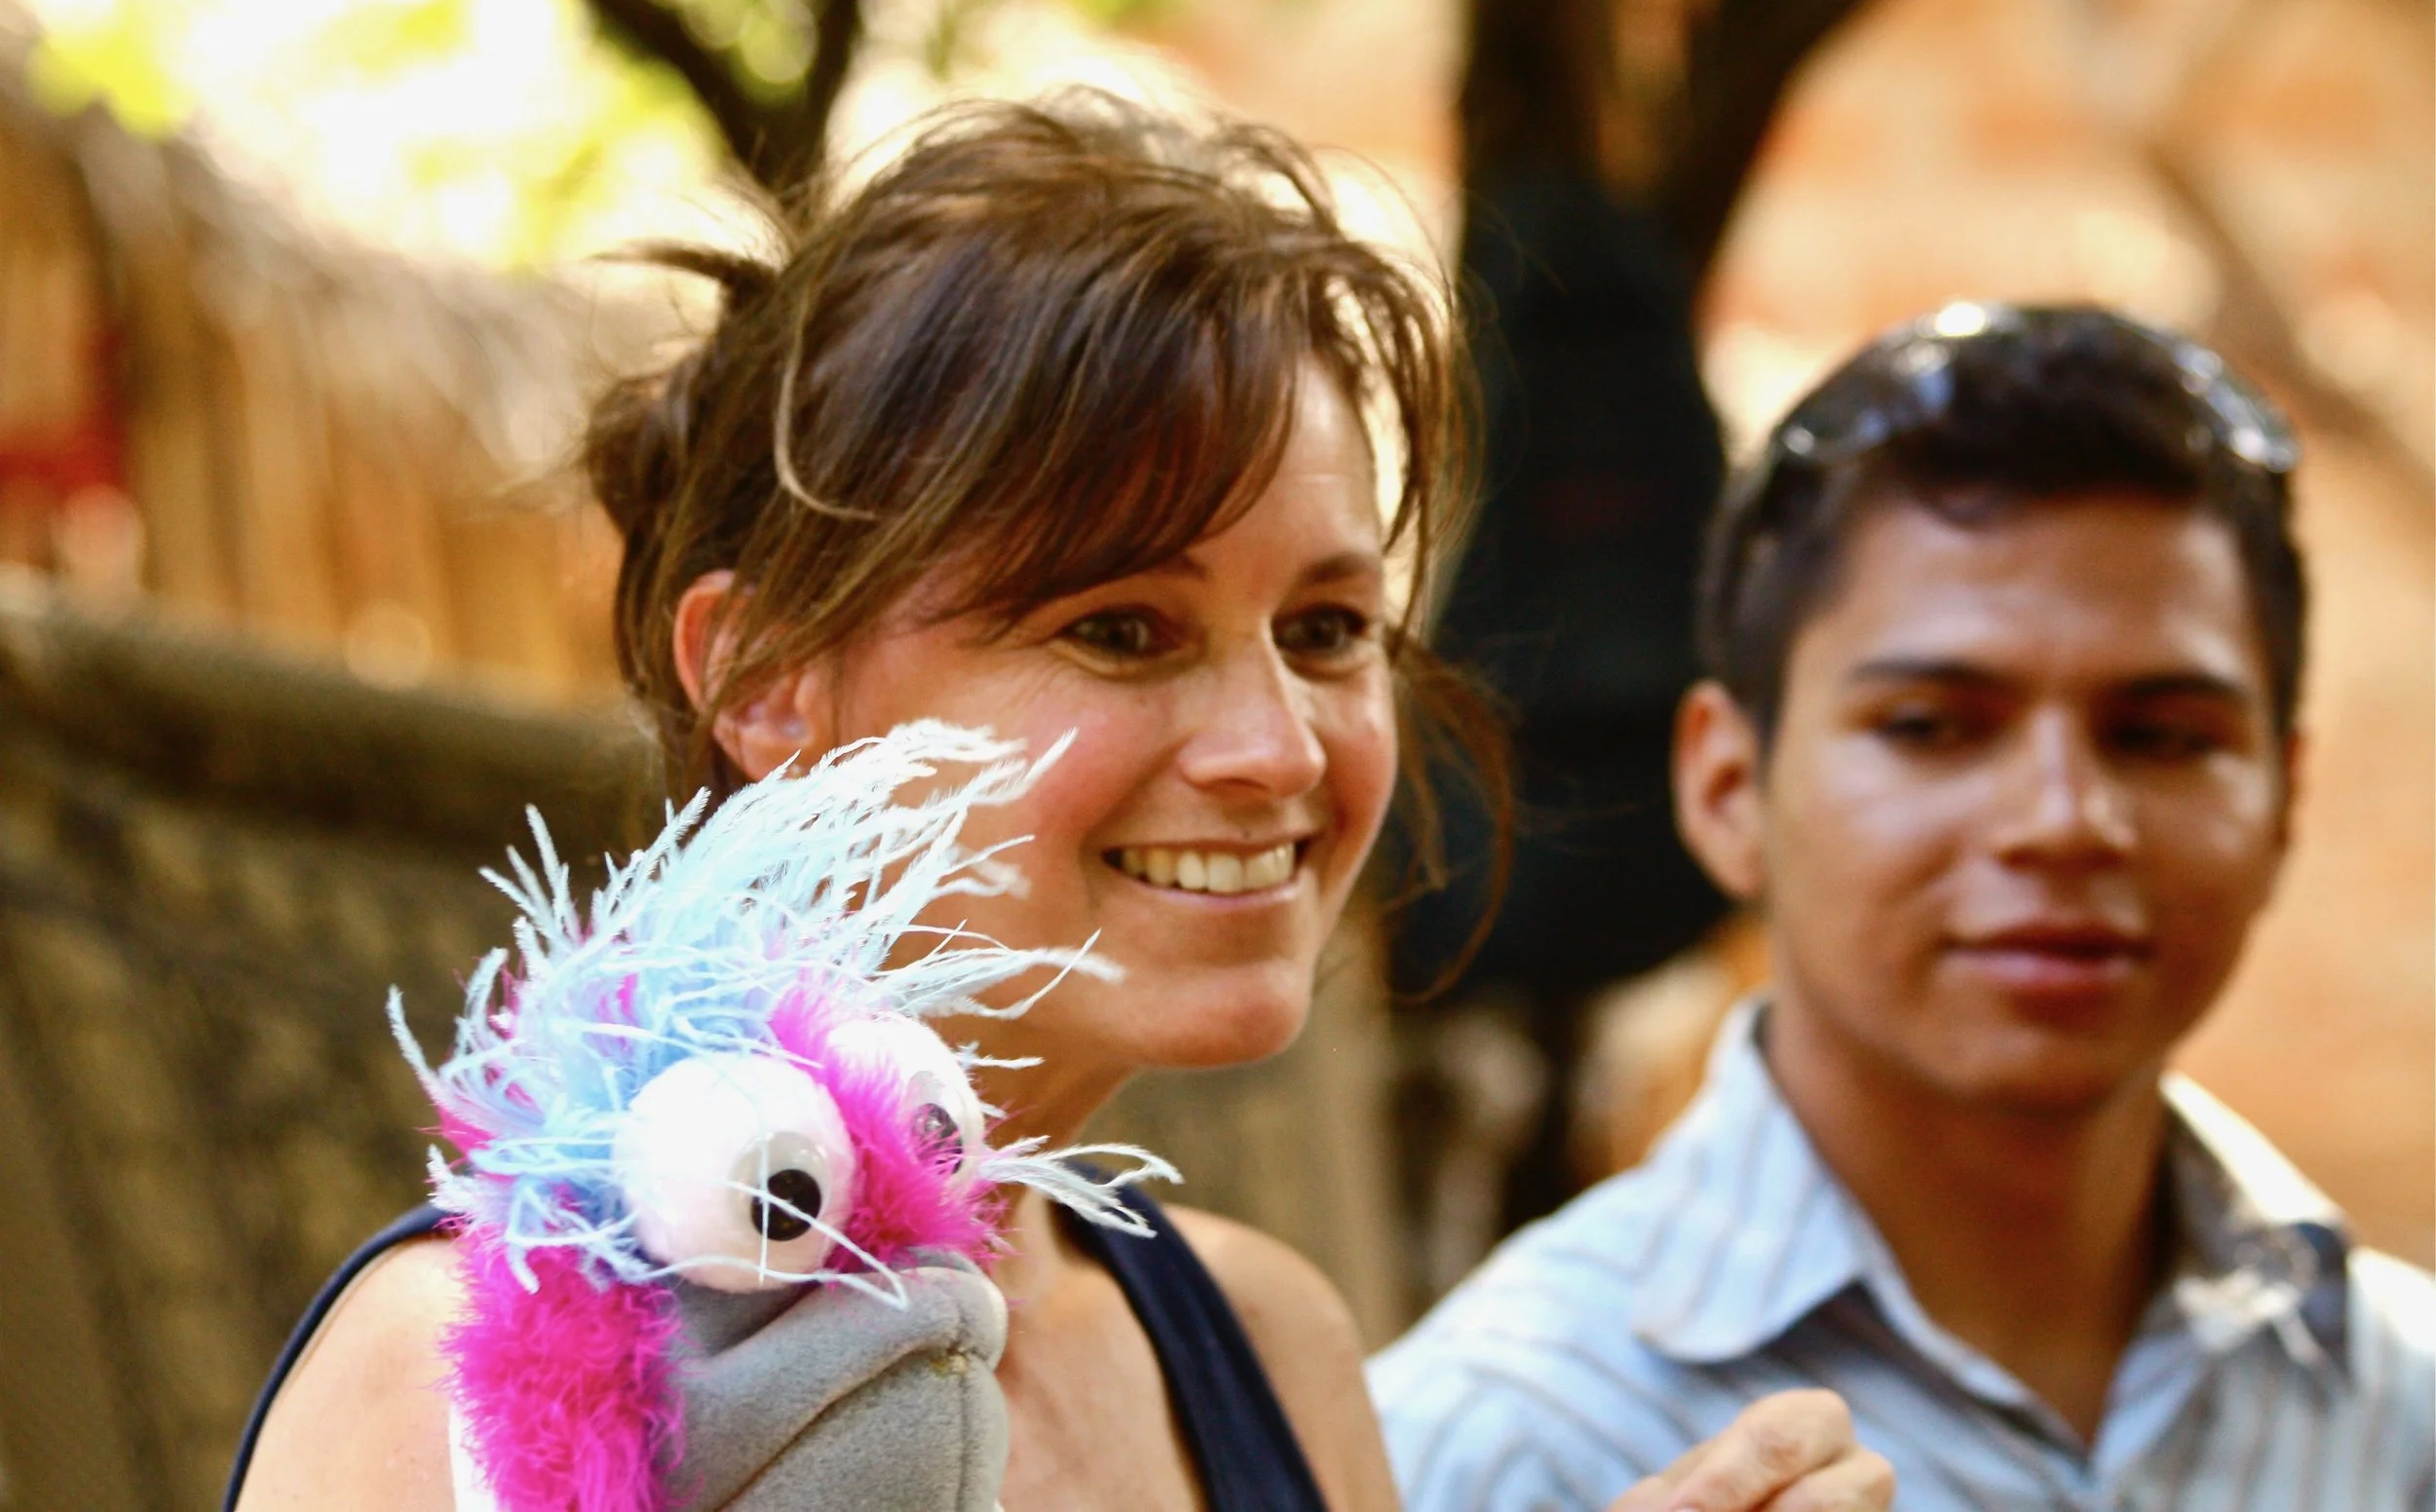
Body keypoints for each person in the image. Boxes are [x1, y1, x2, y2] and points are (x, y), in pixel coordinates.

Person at [226, 94, 1887, 1512]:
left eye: (1325, 630)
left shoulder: (1260, 1343)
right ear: (764, 675)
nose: (1279, 747)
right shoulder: (467, 1372)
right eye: (1119, 628)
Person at [1369, 302, 2436, 1510]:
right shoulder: (1484, 1440)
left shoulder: (2392, 1404)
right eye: (1930, 726)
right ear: (1727, 786)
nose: (2063, 817)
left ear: (2285, 796)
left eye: (2161, 734)